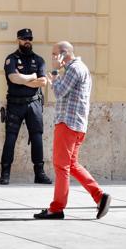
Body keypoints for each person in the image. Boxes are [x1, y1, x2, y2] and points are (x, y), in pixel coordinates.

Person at [34, 41, 111, 220]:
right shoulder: (78, 68)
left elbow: (59, 92)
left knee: (61, 166)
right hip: (76, 125)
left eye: (54, 54)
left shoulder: (74, 69)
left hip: (67, 124)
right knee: (72, 165)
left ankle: (57, 208)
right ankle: (100, 197)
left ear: (64, 54)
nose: (52, 57)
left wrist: (53, 75)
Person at [0, 28, 52, 185]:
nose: (27, 41)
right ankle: (5, 173)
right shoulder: (11, 59)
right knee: (10, 138)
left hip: (34, 103)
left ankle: (39, 173)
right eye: (24, 38)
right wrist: (32, 77)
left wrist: (25, 79)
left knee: (37, 138)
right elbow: (13, 78)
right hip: (15, 103)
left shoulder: (39, 60)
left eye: (29, 38)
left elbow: (43, 82)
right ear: (18, 40)